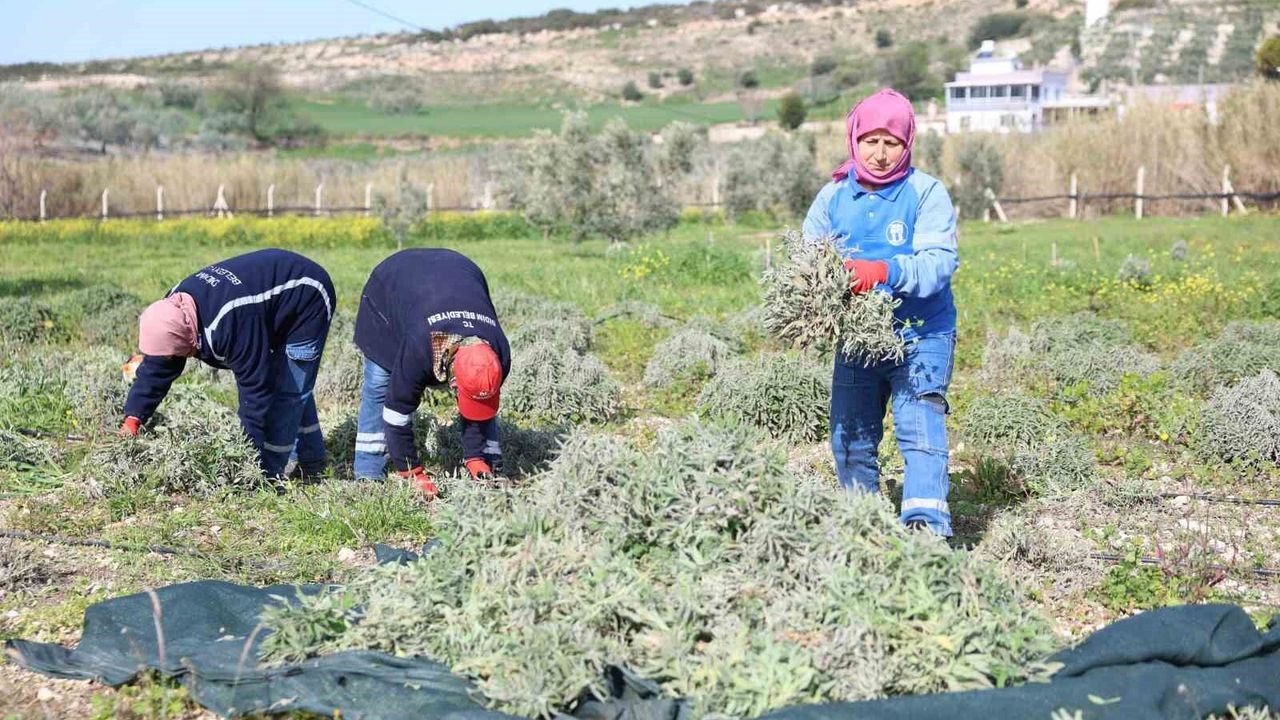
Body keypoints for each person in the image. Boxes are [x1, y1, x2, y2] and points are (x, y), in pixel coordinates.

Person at [801, 88, 960, 537]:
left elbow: (938, 263)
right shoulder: (833, 196)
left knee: (920, 432)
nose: (880, 153)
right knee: (849, 438)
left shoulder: (926, 193)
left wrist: (884, 270)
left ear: (907, 144)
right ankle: (865, 528)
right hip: (859, 339)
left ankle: (926, 535)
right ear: (854, 139)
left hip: (922, 334)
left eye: (892, 142)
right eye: (870, 141)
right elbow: (808, 260)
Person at [120, 249, 336, 479]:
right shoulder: (170, 311)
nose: (169, 358)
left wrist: (248, 460)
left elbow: (255, 391)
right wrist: (134, 416)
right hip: (266, 299)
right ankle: (312, 460)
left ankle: (271, 474)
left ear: (187, 339)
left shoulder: (230, 323)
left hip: (307, 295)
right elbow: (158, 366)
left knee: (289, 392)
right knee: (288, 383)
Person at [351, 248, 511, 498]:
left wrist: (476, 457)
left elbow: (480, 403)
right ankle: (368, 473)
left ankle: (489, 466)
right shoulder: (418, 349)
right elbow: (397, 413)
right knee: (380, 383)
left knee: (480, 406)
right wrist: (412, 472)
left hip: (458, 270)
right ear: (453, 382)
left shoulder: (498, 355)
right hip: (390, 284)